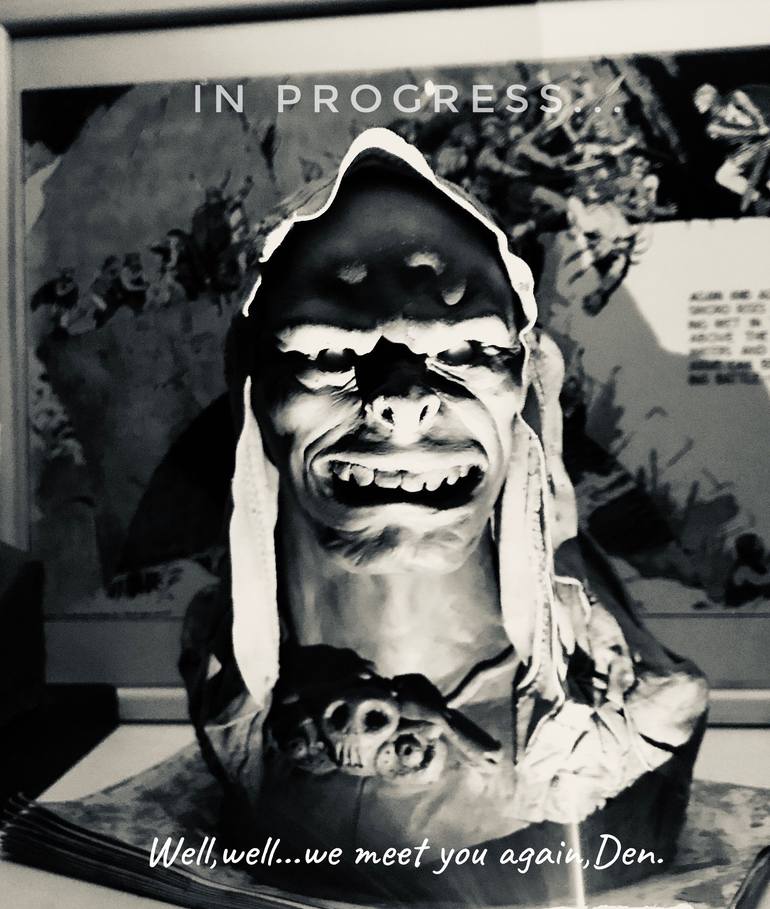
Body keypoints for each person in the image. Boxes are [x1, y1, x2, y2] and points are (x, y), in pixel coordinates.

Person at [180, 128, 707, 901]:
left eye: (466, 353)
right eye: (326, 354)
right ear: (252, 387)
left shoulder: (619, 721)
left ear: (530, 382)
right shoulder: (227, 687)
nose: (401, 401)